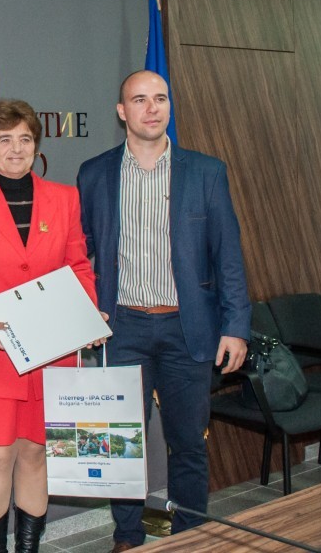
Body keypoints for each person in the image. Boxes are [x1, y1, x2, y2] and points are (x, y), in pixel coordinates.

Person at [76, 70, 250, 552]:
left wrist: (236, 326)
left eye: (160, 98)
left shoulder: (206, 172)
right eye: (139, 99)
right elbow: (80, 253)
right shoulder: (94, 174)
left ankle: (189, 539)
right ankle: (128, 539)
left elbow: (228, 254)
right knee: (120, 445)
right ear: (122, 111)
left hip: (187, 328)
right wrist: (82, 314)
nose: (151, 108)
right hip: (122, 328)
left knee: (189, 444)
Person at [0, 99, 98, 553]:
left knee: (35, 452)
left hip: (53, 351)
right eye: (4, 140)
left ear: (36, 145)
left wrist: (88, 315)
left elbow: (78, 266)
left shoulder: (64, 198)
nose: (16, 149)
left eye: (25, 139)